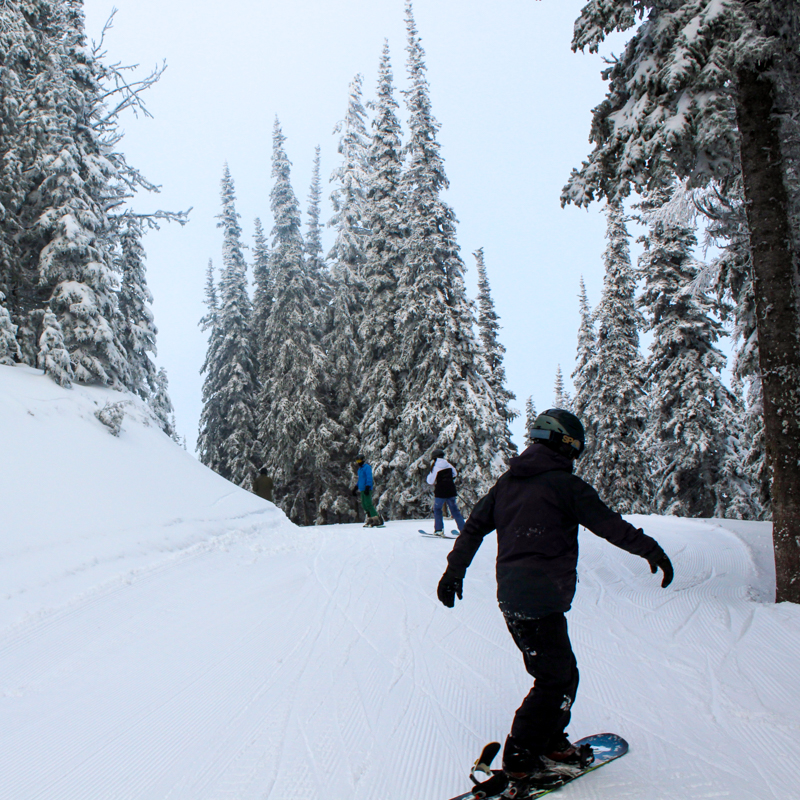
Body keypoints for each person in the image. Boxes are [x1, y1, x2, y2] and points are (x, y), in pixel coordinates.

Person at [436, 409, 673, 797]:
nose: (577, 452)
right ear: (565, 442)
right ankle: (520, 756)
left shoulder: (508, 484)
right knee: (553, 679)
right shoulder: (564, 485)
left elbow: (474, 529)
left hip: (514, 597)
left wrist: (453, 572)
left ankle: (548, 741)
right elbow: (609, 524)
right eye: (575, 445)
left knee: (563, 673)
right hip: (542, 598)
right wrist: (652, 550)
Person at [426, 448, 466, 535]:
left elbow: (430, 481)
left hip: (440, 492)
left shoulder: (435, 466)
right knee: (455, 510)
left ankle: (439, 530)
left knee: (437, 509)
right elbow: (455, 474)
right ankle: (464, 530)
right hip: (451, 490)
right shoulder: (448, 464)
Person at [353, 454, 385, 528]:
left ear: (363, 460)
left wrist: (368, 486)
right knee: (364, 505)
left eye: (359, 460)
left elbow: (369, 477)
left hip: (367, 488)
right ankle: (370, 519)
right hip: (362, 489)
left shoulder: (367, 467)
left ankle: (376, 519)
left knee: (368, 504)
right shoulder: (359, 470)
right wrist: (355, 488)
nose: (358, 462)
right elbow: (360, 480)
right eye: (357, 461)